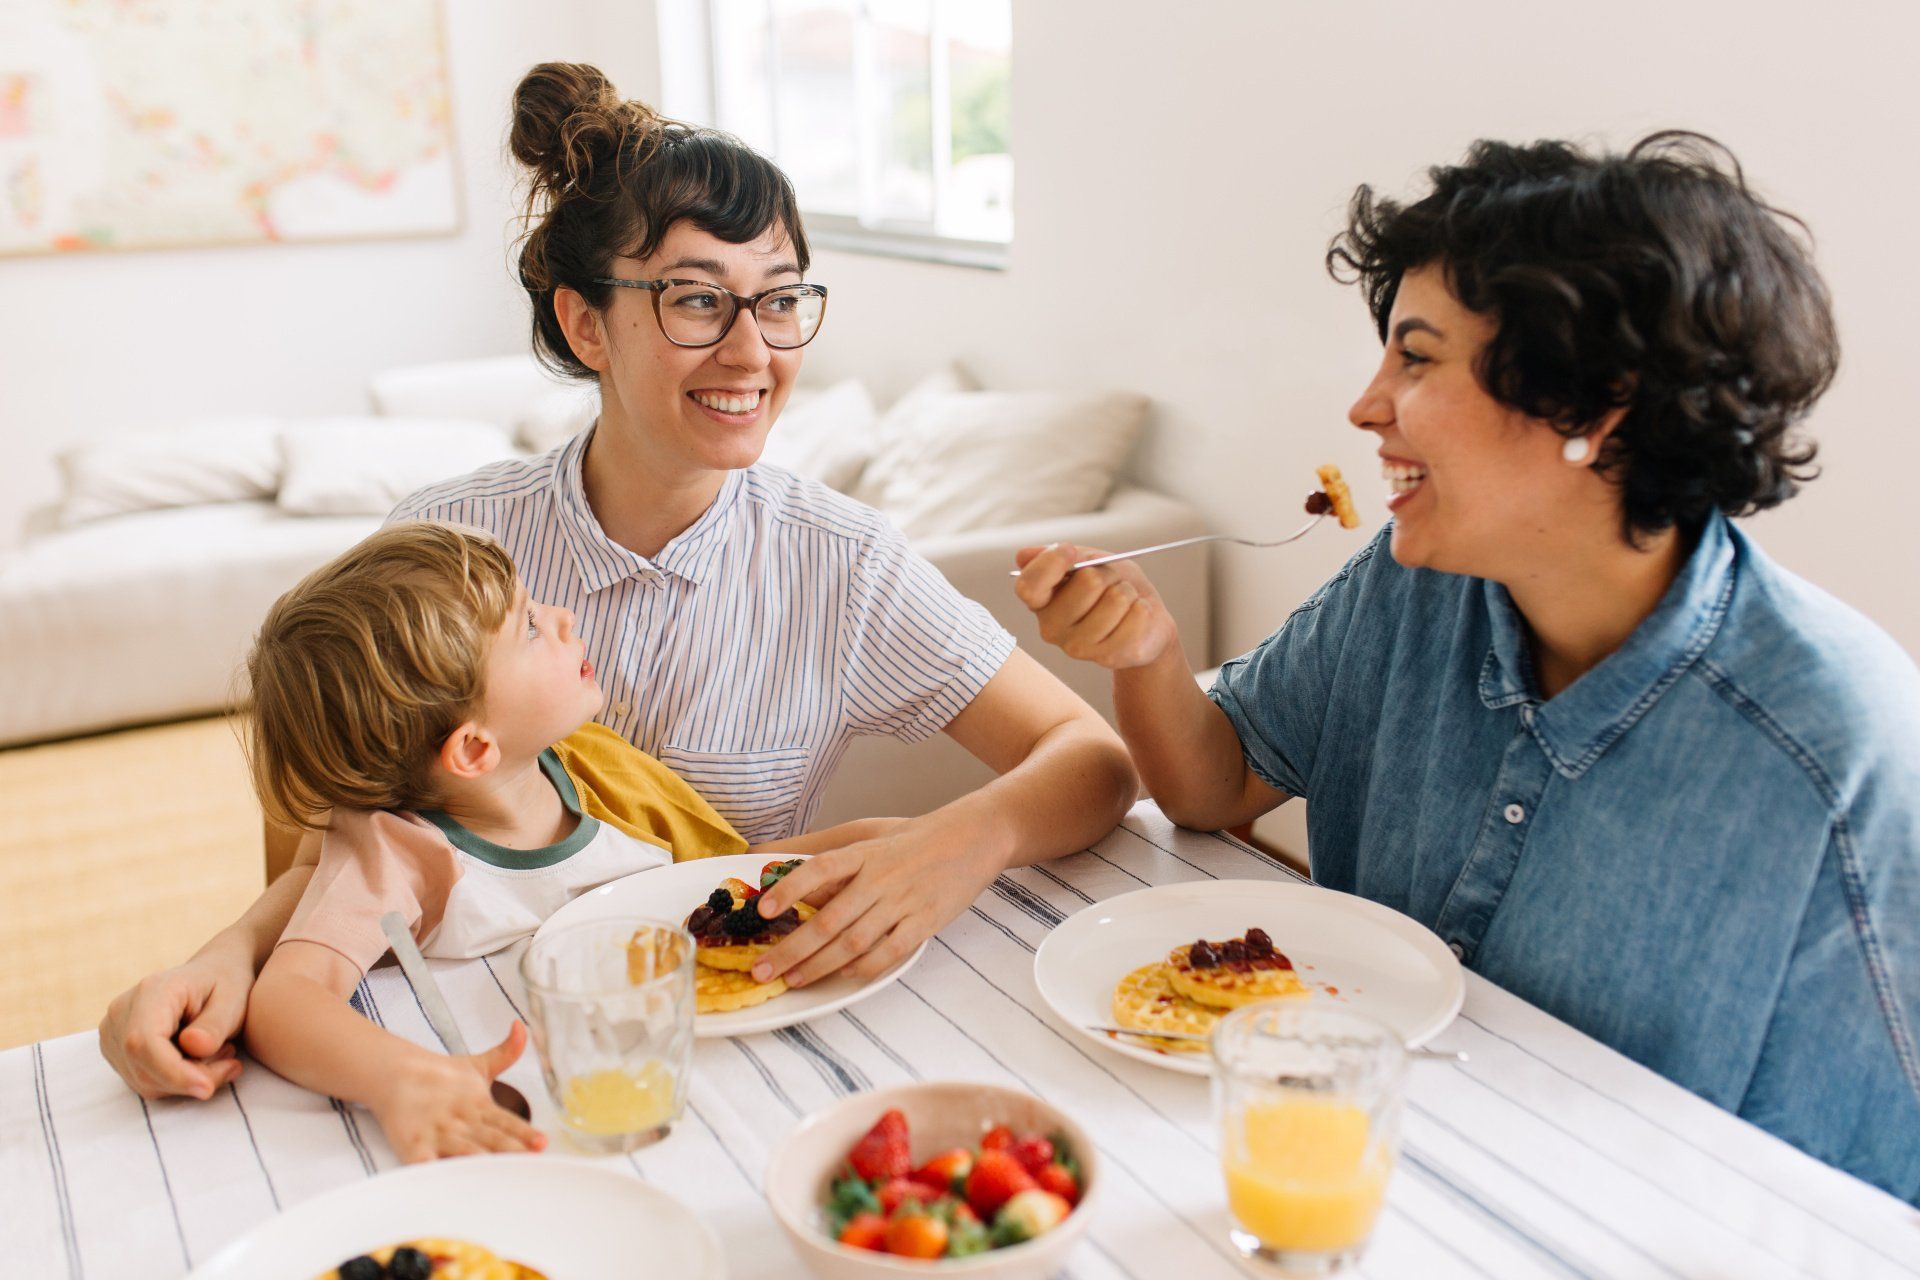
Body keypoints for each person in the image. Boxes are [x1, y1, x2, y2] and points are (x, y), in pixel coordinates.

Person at [99, 62, 1135, 1103]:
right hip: (469, 1058)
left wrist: (960, 842)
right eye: (696, 299)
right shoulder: (447, 541)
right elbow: (323, 837)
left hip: (723, 1047)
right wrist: (229, 955)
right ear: (586, 323)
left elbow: (1089, 760)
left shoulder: (845, 563)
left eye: (780, 299)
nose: (752, 349)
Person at [1015, 133, 1920, 1201]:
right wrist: (1151, 654)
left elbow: (1864, 1198)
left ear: (1597, 402)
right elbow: (1213, 784)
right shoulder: (1412, 582)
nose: (1365, 404)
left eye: (1418, 356)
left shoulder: (1832, 746)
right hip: (1344, 1176)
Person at [241, 521, 898, 1161]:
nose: (563, 617)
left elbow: (721, 881)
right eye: (529, 626)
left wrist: (876, 843)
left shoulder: (589, 768)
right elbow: (285, 1000)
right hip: (530, 1122)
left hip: (701, 1084)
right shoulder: (398, 854)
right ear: (474, 748)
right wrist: (396, 1077)